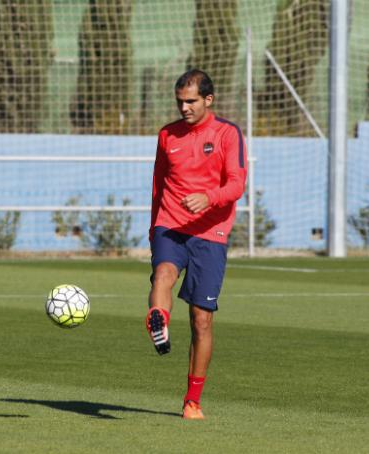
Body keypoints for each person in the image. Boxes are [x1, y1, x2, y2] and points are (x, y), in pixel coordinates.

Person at [145, 69, 247, 420]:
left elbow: (237, 185)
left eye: (190, 101)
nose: (184, 107)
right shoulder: (166, 135)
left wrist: (210, 197)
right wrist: (152, 228)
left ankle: (192, 401)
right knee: (163, 272)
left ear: (208, 99)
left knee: (201, 320)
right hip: (170, 224)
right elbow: (158, 185)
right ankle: (157, 319)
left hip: (211, 233)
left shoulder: (227, 134)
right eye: (179, 101)